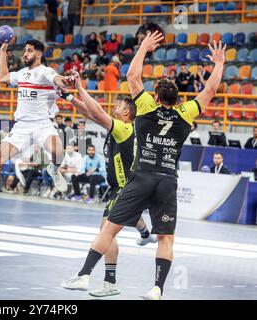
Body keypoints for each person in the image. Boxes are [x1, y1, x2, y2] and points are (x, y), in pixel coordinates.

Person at [61, 32, 226, 300]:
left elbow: (133, 77)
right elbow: (210, 90)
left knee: (109, 229)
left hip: (141, 177)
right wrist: (218, 63)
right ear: (177, 100)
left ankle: (84, 275)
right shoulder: (185, 113)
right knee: (166, 239)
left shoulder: (147, 107)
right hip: (167, 180)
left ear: (157, 97)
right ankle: (157, 289)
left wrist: (143, 48)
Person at [60, 71, 157, 296]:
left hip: (127, 189)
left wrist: (80, 88)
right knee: (107, 234)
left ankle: (84, 275)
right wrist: (68, 98)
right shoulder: (119, 127)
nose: (114, 108)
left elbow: (97, 111)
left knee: (106, 233)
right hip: (118, 189)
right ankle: (111, 282)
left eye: (118, 106)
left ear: (126, 112)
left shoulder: (125, 129)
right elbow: (92, 114)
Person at [0, 39, 72, 214]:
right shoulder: (21, 73)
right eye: (25, 51)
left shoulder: (45, 71)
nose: (25, 54)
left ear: (38, 54)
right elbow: (4, 77)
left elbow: (58, 79)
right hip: (22, 126)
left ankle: (53, 170)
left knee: (58, 152)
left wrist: (65, 80)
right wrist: (2, 53)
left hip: (42, 124)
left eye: (29, 51)